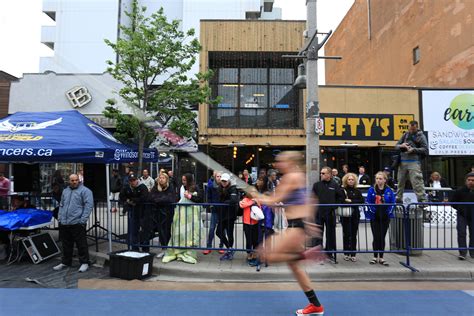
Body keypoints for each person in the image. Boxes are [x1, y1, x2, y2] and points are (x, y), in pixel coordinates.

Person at [254, 151, 325, 315]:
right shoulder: (299, 176)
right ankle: (316, 305)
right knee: (295, 267)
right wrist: (310, 222)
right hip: (298, 225)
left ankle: (306, 256)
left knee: (265, 254)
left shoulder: (290, 177)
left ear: (291, 162)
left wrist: (257, 196)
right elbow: (310, 200)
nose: (278, 164)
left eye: (281, 161)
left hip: (296, 226)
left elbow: (273, 200)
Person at [53, 174, 94, 273]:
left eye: (76, 180)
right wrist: (60, 218)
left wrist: (82, 220)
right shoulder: (65, 191)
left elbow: (88, 206)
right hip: (64, 222)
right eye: (72, 180)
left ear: (79, 180)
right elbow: (61, 205)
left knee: (81, 244)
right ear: (69, 181)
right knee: (66, 244)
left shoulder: (86, 191)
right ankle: (66, 262)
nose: (74, 182)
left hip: (77, 222)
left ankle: (84, 262)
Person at [162, 173, 202, 264]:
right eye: (182, 180)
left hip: (191, 215)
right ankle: (178, 251)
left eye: (184, 180)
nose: (183, 182)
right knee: (180, 232)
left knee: (190, 234)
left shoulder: (195, 187)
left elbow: (200, 198)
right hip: (181, 214)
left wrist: (190, 196)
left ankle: (188, 253)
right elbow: (178, 198)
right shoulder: (181, 188)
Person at [312, 166, 345, 263]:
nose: (321, 175)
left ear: (329, 175)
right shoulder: (316, 185)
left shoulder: (334, 185)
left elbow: (340, 197)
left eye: (323, 173)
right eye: (321, 173)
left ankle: (330, 253)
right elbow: (312, 197)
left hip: (330, 213)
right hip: (319, 213)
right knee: (318, 234)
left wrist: (334, 206)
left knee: (331, 234)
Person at [365, 171, 395, 266]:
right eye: (377, 178)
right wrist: (373, 211)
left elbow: (393, 203)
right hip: (375, 216)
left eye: (380, 178)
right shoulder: (371, 190)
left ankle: (381, 257)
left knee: (382, 237)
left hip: (385, 216)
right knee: (376, 237)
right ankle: (374, 257)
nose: (378, 180)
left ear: (385, 180)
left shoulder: (389, 190)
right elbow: (368, 202)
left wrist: (388, 212)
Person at [395, 120, 428, 203]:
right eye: (410, 129)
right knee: (400, 182)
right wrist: (401, 146)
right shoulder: (405, 135)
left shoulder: (421, 136)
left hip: (414, 161)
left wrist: (414, 150)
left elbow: (425, 149)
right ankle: (399, 198)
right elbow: (396, 146)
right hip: (403, 161)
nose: (411, 131)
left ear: (417, 128)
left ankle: (422, 200)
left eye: (413, 129)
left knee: (417, 181)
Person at [119, 174, 150, 252]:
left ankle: (145, 248)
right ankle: (134, 248)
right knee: (134, 230)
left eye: (134, 180)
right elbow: (122, 196)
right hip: (134, 211)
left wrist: (132, 200)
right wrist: (129, 200)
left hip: (143, 211)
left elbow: (144, 198)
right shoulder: (127, 187)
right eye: (131, 180)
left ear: (137, 180)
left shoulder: (142, 187)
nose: (133, 182)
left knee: (144, 230)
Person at [149, 172, 176, 258]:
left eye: (163, 178)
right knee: (161, 232)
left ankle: (168, 249)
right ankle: (163, 249)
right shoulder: (156, 187)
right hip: (158, 214)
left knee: (167, 231)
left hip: (168, 213)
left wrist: (159, 199)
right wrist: (161, 199)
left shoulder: (170, 187)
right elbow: (151, 197)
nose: (161, 179)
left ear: (166, 179)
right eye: (160, 178)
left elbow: (170, 199)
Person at [340, 173, 364, 262]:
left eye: (352, 179)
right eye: (349, 179)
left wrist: (351, 201)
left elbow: (361, 201)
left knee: (354, 234)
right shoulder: (342, 190)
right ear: (346, 180)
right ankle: (346, 253)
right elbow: (341, 201)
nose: (350, 181)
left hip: (355, 216)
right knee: (346, 234)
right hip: (345, 216)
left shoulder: (357, 191)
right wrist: (352, 202)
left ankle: (353, 253)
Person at [450, 172, 474, 260]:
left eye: (473, 180)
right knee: (461, 233)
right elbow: (452, 202)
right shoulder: (460, 190)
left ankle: (472, 252)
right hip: (462, 215)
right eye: (469, 180)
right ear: (466, 181)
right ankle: (462, 253)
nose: (471, 182)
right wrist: (460, 208)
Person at [216, 173, 239, 260]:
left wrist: (224, 203)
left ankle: (230, 249)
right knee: (218, 232)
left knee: (230, 233)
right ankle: (229, 248)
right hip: (222, 214)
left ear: (228, 181)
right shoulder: (220, 188)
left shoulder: (233, 188)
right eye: (222, 181)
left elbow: (233, 200)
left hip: (230, 215)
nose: (223, 182)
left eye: (225, 181)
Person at [203, 171, 224, 255]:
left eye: (220, 176)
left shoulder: (224, 186)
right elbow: (209, 196)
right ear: (215, 177)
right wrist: (210, 205)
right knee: (212, 228)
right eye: (217, 176)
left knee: (223, 229)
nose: (219, 178)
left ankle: (221, 246)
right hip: (215, 210)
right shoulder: (211, 185)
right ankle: (209, 246)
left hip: (223, 210)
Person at [240, 187, 260, 265]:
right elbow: (242, 205)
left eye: (254, 192)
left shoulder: (257, 200)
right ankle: (249, 254)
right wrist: (252, 202)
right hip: (247, 223)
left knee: (255, 240)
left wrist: (256, 202)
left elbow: (260, 207)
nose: (253, 193)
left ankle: (254, 254)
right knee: (248, 240)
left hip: (255, 222)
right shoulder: (245, 199)